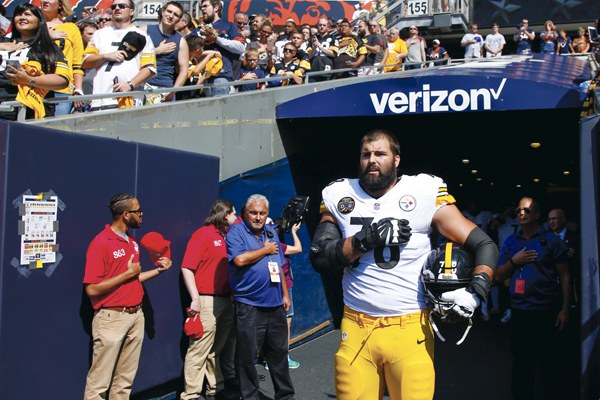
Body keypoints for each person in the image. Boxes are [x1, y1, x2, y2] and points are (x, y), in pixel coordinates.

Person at [310, 129, 498, 400]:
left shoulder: (423, 191)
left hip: (410, 327)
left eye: (380, 154)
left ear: (396, 160)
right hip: (356, 326)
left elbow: (484, 244)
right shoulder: (340, 194)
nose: (371, 160)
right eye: (366, 154)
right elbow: (320, 257)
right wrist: (367, 239)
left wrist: (478, 289)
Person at [83, 193, 172, 400]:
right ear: (125, 214)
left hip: (135, 316)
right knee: (99, 384)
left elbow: (134, 279)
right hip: (111, 318)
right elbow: (92, 289)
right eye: (138, 211)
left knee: (124, 382)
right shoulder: (101, 242)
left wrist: (159, 270)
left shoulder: (132, 241)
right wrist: (127, 274)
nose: (141, 215)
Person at [495, 198, 570, 400]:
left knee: (550, 363)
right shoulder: (511, 242)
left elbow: (565, 275)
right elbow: (499, 275)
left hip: (548, 311)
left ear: (537, 215)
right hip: (520, 312)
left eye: (527, 210)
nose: (522, 213)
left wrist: (565, 309)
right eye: (519, 210)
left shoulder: (552, 241)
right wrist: (514, 260)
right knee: (521, 362)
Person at [226, 194, 295, 400]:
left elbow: (280, 266)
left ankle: (286, 396)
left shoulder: (271, 232)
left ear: (267, 214)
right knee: (247, 356)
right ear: (245, 213)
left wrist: (285, 294)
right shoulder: (236, 232)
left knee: (279, 354)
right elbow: (239, 260)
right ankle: (250, 397)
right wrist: (264, 250)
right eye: (254, 213)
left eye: (262, 213)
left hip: (275, 304)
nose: (258, 217)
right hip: (249, 305)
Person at [180, 200, 239, 400]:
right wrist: (195, 298)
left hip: (224, 299)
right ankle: (190, 395)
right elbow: (187, 267)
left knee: (217, 348)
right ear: (225, 216)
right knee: (198, 349)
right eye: (233, 214)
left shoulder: (226, 235)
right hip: (206, 301)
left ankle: (216, 388)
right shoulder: (203, 235)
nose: (236, 217)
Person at [82, 0, 156, 111]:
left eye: (121, 6)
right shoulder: (99, 34)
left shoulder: (141, 36)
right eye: (113, 6)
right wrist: (106, 56)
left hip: (128, 100)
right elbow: (86, 62)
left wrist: (130, 85)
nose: (117, 8)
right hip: (100, 100)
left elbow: (149, 68)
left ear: (131, 11)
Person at [0, 3, 70, 121]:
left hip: (25, 112)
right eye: (18, 14)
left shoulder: (48, 47)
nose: (22, 17)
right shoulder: (4, 41)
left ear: (39, 21)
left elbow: (62, 80)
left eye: (28, 14)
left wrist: (29, 80)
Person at [190, 0, 245, 96]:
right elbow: (187, 50)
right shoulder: (197, 30)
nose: (202, 9)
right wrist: (200, 40)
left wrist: (217, 39)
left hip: (220, 75)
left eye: (205, 6)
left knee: (219, 109)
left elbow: (241, 48)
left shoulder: (229, 26)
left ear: (216, 8)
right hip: (198, 77)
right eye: (201, 7)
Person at [140, 2, 189, 104]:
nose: (171, 16)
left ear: (178, 20)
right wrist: (157, 51)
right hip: (141, 85)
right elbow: (132, 57)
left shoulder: (181, 41)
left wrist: (173, 91)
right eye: (169, 11)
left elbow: (184, 70)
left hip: (166, 89)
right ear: (162, 12)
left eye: (175, 14)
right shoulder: (144, 30)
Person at [41, 0, 84, 116]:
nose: (44, 0)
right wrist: (45, 36)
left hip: (62, 90)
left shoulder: (71, 28)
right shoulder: (33, 26)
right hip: (35, 87)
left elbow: (77, 61)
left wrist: (78, 89)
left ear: (60, 4)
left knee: (57, 130)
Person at [308, 17, 338, 81]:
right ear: (317, 26)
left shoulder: (333, 38)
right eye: (320, 25)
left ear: (327, 26)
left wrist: (320, 47)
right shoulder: (312, 39)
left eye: (324, 25)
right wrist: (314, 48)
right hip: (313, 72)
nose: (322, 27)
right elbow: (308, 57)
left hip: (327, 72)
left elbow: (333, 54)